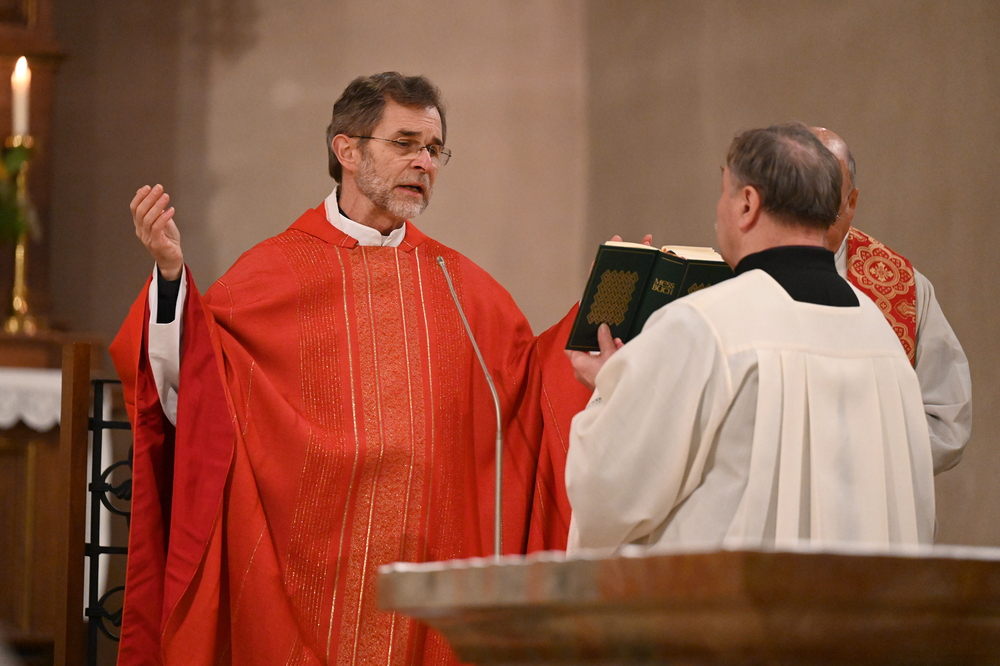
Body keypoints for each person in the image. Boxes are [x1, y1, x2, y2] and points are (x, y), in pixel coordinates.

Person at [111, 73, 590, 666]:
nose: (424, 163)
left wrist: (604, 312)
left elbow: (528, 387)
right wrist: (170, 277)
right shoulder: (274, 272)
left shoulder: (461, 285)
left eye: (434, 150)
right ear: (347, 150)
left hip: (429, 575)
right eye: (405, 143)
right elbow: (200, 384)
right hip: (309, 575)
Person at [564, 122, 935, 552]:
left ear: (747, 204)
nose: (718, 210)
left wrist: (612, 388)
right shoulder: (882, 337)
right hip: (858, 596)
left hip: (740, 596)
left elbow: (605, 493)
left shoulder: (704, 327)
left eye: (724, 193)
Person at [810, 127, 971, 474]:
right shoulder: (742, 276)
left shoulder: (904, 288)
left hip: (872, 496)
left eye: (826, 206)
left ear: (851, 203)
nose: (810, 219)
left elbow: (947, 422)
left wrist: (850, 456)